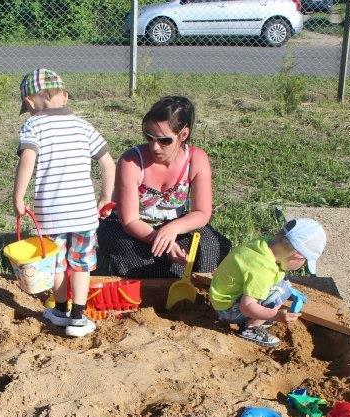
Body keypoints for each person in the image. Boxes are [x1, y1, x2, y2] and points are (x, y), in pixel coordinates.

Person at [12, 68, 116, 338]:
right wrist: (106, 197)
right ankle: (78, 317)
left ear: (29, 102)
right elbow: (108, 163)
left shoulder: (33, 126)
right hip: (83, 214)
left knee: (56, 264)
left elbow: (27, 161)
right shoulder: (83, 126)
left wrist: (18, 196)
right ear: (65, 97)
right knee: (81, 264)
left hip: (50, 214)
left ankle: (59, 311)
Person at [97, 96, 230, 278]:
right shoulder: (131, 161)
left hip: (173, 224)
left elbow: (202, 212)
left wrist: (172, 229)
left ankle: (197, 287)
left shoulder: (197, 159)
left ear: (183, 134)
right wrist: (162, 240)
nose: (155, 147)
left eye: (164, 140)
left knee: (211, 245)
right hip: (130, 228)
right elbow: (130, 221)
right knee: (138, 257)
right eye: (149, 137)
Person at [209, 218, 327, 348]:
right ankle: (249, 329)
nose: (302, 266)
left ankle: (257, 316)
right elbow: (246, 306)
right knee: (280, 292)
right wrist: (275, 315)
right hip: (227, 310)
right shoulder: (263, 270)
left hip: (221, 296)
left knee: (284, 286)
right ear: (297, 256)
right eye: (304, 263)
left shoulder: (265, 244)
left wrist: (289, 290)